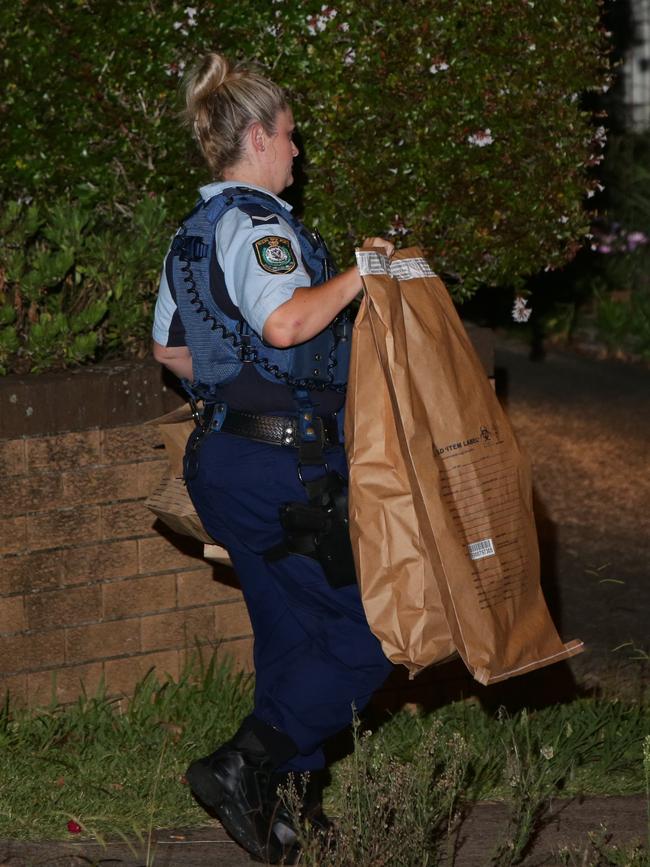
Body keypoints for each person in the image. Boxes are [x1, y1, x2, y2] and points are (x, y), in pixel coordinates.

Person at [152, 52, 395, 863]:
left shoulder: (190, 236)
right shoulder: (260, 226)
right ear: (257, 137)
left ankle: (285, 807)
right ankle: (244, 765)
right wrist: (363, 273)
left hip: (222, 460)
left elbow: (170, 349)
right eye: (290, 137)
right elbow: (287, 324)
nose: (299, 153)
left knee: (291, 635)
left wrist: (236, 382)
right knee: (378, 633)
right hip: (281, 468)